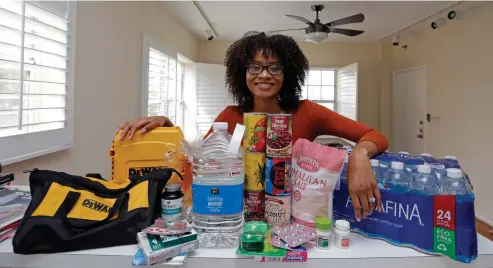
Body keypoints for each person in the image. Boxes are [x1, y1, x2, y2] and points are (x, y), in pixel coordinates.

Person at [118, 31, 388, 222]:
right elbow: (200, 164)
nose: (264, 75)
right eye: (255, 67)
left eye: (275, 68)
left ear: (288, 73)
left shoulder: (307, 112)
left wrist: (359, 155)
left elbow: (374, 135)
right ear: (242, 73)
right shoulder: (231, 116)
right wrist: (167, 128)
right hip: (240, 218)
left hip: (297, 218)